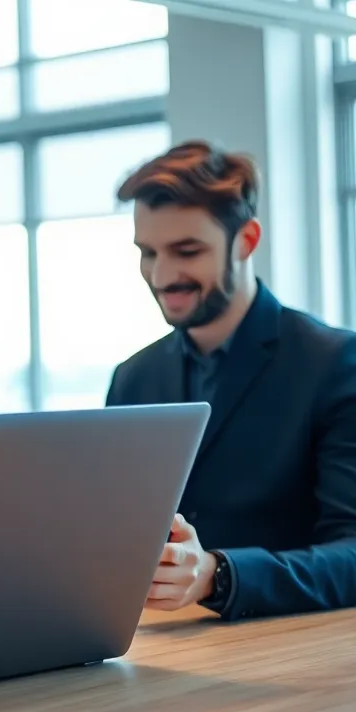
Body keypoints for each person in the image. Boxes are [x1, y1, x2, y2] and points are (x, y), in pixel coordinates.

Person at [107, 140, 356, 621]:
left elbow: (351, 554)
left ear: (246, 240)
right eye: (148, 252)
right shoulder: (133, 379)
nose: (161, 275)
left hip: (289, 657)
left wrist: (216, 574)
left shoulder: (335, 363)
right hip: (156, 649)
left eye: (187, 251)